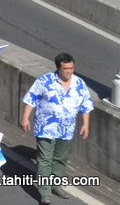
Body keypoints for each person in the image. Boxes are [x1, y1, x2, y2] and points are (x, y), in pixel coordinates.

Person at [21, 53, 93, 205]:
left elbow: (86, 105)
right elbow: (31, 99)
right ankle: (45, 192)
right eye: (66, 69)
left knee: (60, 159)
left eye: (71, 68)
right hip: (45, 127)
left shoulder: (79, 84)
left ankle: (55, 184)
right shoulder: (44, 81)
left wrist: (86, 124)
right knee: (44, 159)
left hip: (66, 129)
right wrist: (25, 118)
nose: (69, 71)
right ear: (58, 68)